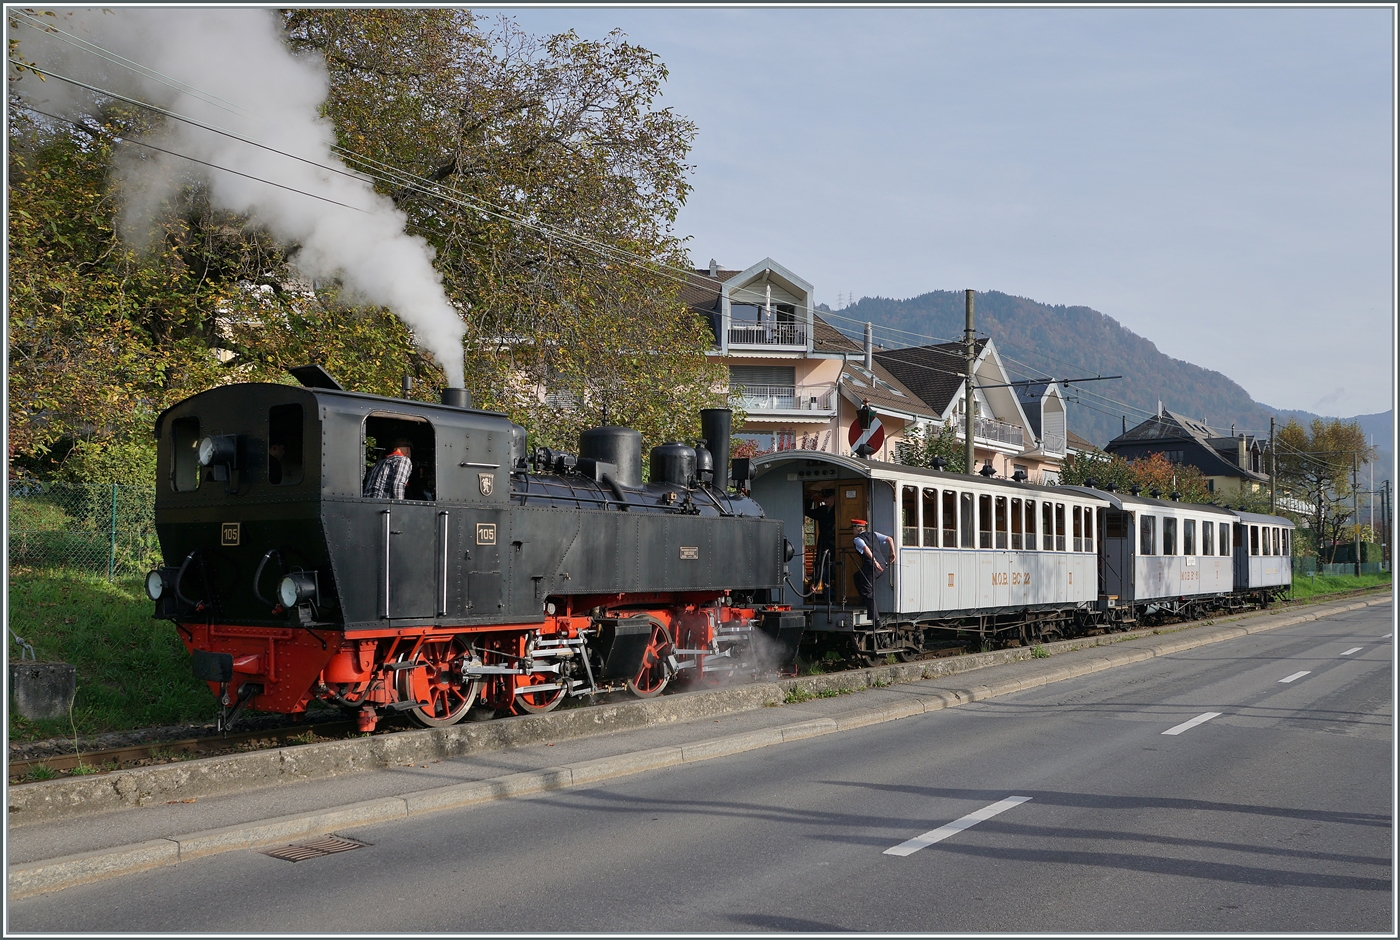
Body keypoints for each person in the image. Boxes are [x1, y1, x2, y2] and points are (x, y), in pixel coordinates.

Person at [851, 518, 896, 626]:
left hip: (873, 566)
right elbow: (889, 539)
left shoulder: (857, 539)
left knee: (868, 591)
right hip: (882, 565)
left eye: (853, 528)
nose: (852, 531)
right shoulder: (874, 534)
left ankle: (876, 620)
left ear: (857, 528)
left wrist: (875, 562)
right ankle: (864, 601)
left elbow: (866, 549)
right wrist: (892, 552)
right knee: (857, 577)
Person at [804, 490, 837, 600]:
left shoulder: (839, 509)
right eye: (824, 498)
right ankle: (823, 590)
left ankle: (834, 592)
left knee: (834, 566)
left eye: (828, 498)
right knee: (821, 565)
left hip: (835, 542)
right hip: (823, 542)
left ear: (834, 497)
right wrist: (810, 499)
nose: (825, 500)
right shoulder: (822, 510)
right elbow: (807, 511)